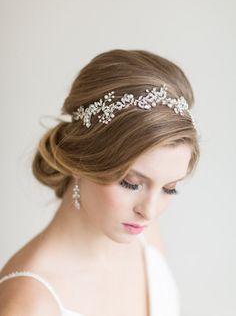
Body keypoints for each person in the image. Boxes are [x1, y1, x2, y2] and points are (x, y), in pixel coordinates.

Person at [0, 49, 200, 316]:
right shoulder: (29, 304)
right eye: (131, 183)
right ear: (82, 158)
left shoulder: (145, 238)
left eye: (169, 188)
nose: (149, 212)